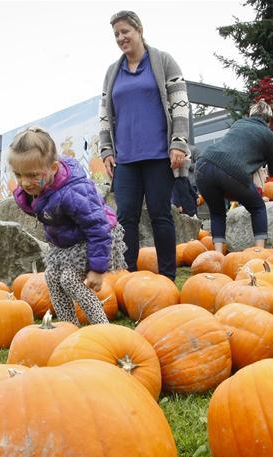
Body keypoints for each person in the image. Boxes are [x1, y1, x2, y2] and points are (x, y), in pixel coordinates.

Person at [99, 9, 189, 280]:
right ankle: (127, 277)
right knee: (125, 217)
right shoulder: (113, 72)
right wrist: (106, 149)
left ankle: (167, 278)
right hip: (125, 159)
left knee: (161, 215)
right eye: (116, 34)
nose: (121, 38)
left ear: (139, 30)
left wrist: (178, 142)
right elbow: (105, 114)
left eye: (125, 31)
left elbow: (180, 105)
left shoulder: (163, 61)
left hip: (159, 155)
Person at [10, 127, 126, 325]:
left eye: (32, 175)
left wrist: (97, 269)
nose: (25, 183)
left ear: (54, 169)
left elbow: (98, 227)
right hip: (70, 240)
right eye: (18, 175)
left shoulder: (74, 192)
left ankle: (102, 327)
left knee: (69, 279)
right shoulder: (39, 187)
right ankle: (69, 326)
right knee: (52, 276)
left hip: (96, 237)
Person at [195, 100, 273, 252]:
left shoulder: (239, 124)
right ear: (269, 121)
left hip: (203, 164)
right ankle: (259, 252)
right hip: (230, 170)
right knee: (258, 207)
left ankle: (217, 255)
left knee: (217, 213)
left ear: (250, 115)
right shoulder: (269, 135)